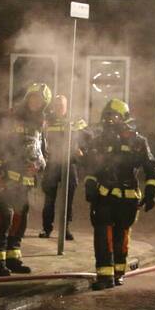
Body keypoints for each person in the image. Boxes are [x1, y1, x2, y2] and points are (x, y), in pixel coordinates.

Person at [81, 99, 155, 291]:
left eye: (114, 116)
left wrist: (151, 192)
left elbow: (151, 167)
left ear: (124, 118)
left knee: (121, 237)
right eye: (107, 116)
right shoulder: (99, 141)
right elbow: (91, 166)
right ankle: (104, 276)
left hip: (127, 197)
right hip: (103, 195)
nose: (109, 120)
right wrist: (90, 184)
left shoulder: (138, 141)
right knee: (102, 234)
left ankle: (118, 273)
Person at [0, 83, 50, 276]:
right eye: (33, 97)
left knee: (19, 221)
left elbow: (43, 153)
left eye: (40, 100)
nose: (35, 102)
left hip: (25, 182)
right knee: (2, 219)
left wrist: (38, 166)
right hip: (5, 179)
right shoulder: (11, 117)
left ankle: (13, 258)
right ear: (27, 98)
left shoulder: (41, 125)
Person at [39, 95, 87, 240]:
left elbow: (88, 136)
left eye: (62, 104)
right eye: (57, 104)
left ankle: (65, 229)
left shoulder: (75, 120)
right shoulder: (47, 121)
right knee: (49, 199)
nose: (59, 107)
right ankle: (47, 228)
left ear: (66, 106)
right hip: (52, 163)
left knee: (68, 199)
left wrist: (81, 149)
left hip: (69, 163)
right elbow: (39, 139)